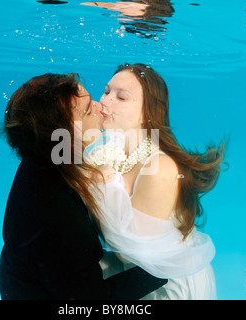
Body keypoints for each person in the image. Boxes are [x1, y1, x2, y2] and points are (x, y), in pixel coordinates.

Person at [0, 73, 167, 299]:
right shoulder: (56, 209)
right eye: (88, 110)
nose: (100, 106)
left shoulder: (38, 162)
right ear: (64, 135)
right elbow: (92, 300)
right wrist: (164, 271)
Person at [88, 63, 227, 299]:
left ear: (147, 112)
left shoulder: (159, 168)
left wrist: (101, 180)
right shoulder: (110, 149)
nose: (105, 101)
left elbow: (132, 247)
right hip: (134, 274)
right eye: (107, 90)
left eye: (121, 97)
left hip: (167, 283)